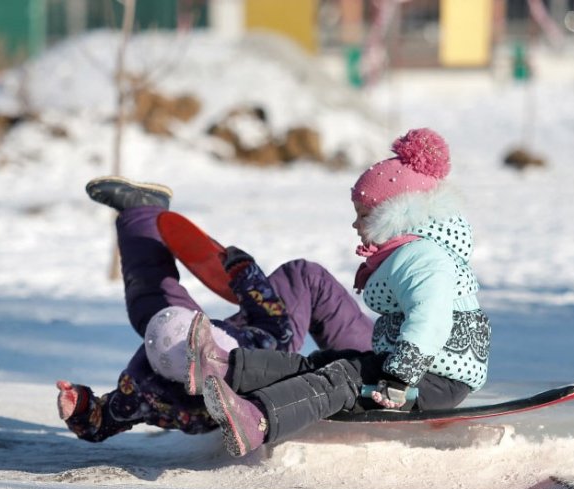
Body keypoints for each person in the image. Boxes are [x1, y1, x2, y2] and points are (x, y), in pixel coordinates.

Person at [188, 128, 492, 457]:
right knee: (324, 362)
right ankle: (224, 368)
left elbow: (429, 320)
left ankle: (258, 420)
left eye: (364, 215)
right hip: (413, 367)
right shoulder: (409, 253)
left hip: (434, 380)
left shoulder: (424, 259)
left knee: (342, 377)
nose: (355, 225)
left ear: (396, 216)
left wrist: (400, 378)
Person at [56, 176, 374, 442]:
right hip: (259, 365)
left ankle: (141, 212)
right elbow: (274, 321)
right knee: (304, 275)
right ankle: (376, 362)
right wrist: (246, 277)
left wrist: (79, 408)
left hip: (199, 376)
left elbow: (103, 420)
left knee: (156, 309)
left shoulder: (145, 385)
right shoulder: (253, 355)